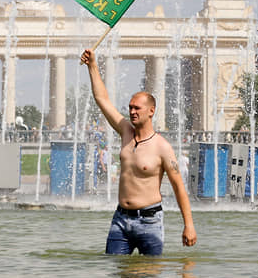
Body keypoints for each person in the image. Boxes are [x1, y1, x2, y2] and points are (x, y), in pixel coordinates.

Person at [81, 48, 197, 256]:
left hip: (150, 221)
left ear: (151, 111)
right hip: (120, 220)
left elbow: (179, 187)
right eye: (130, 107)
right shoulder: (125, 131)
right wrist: (92, 66)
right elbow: (102, 99)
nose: (132, 112)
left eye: (137, 108)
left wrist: (189, 225)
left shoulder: (162, 147)